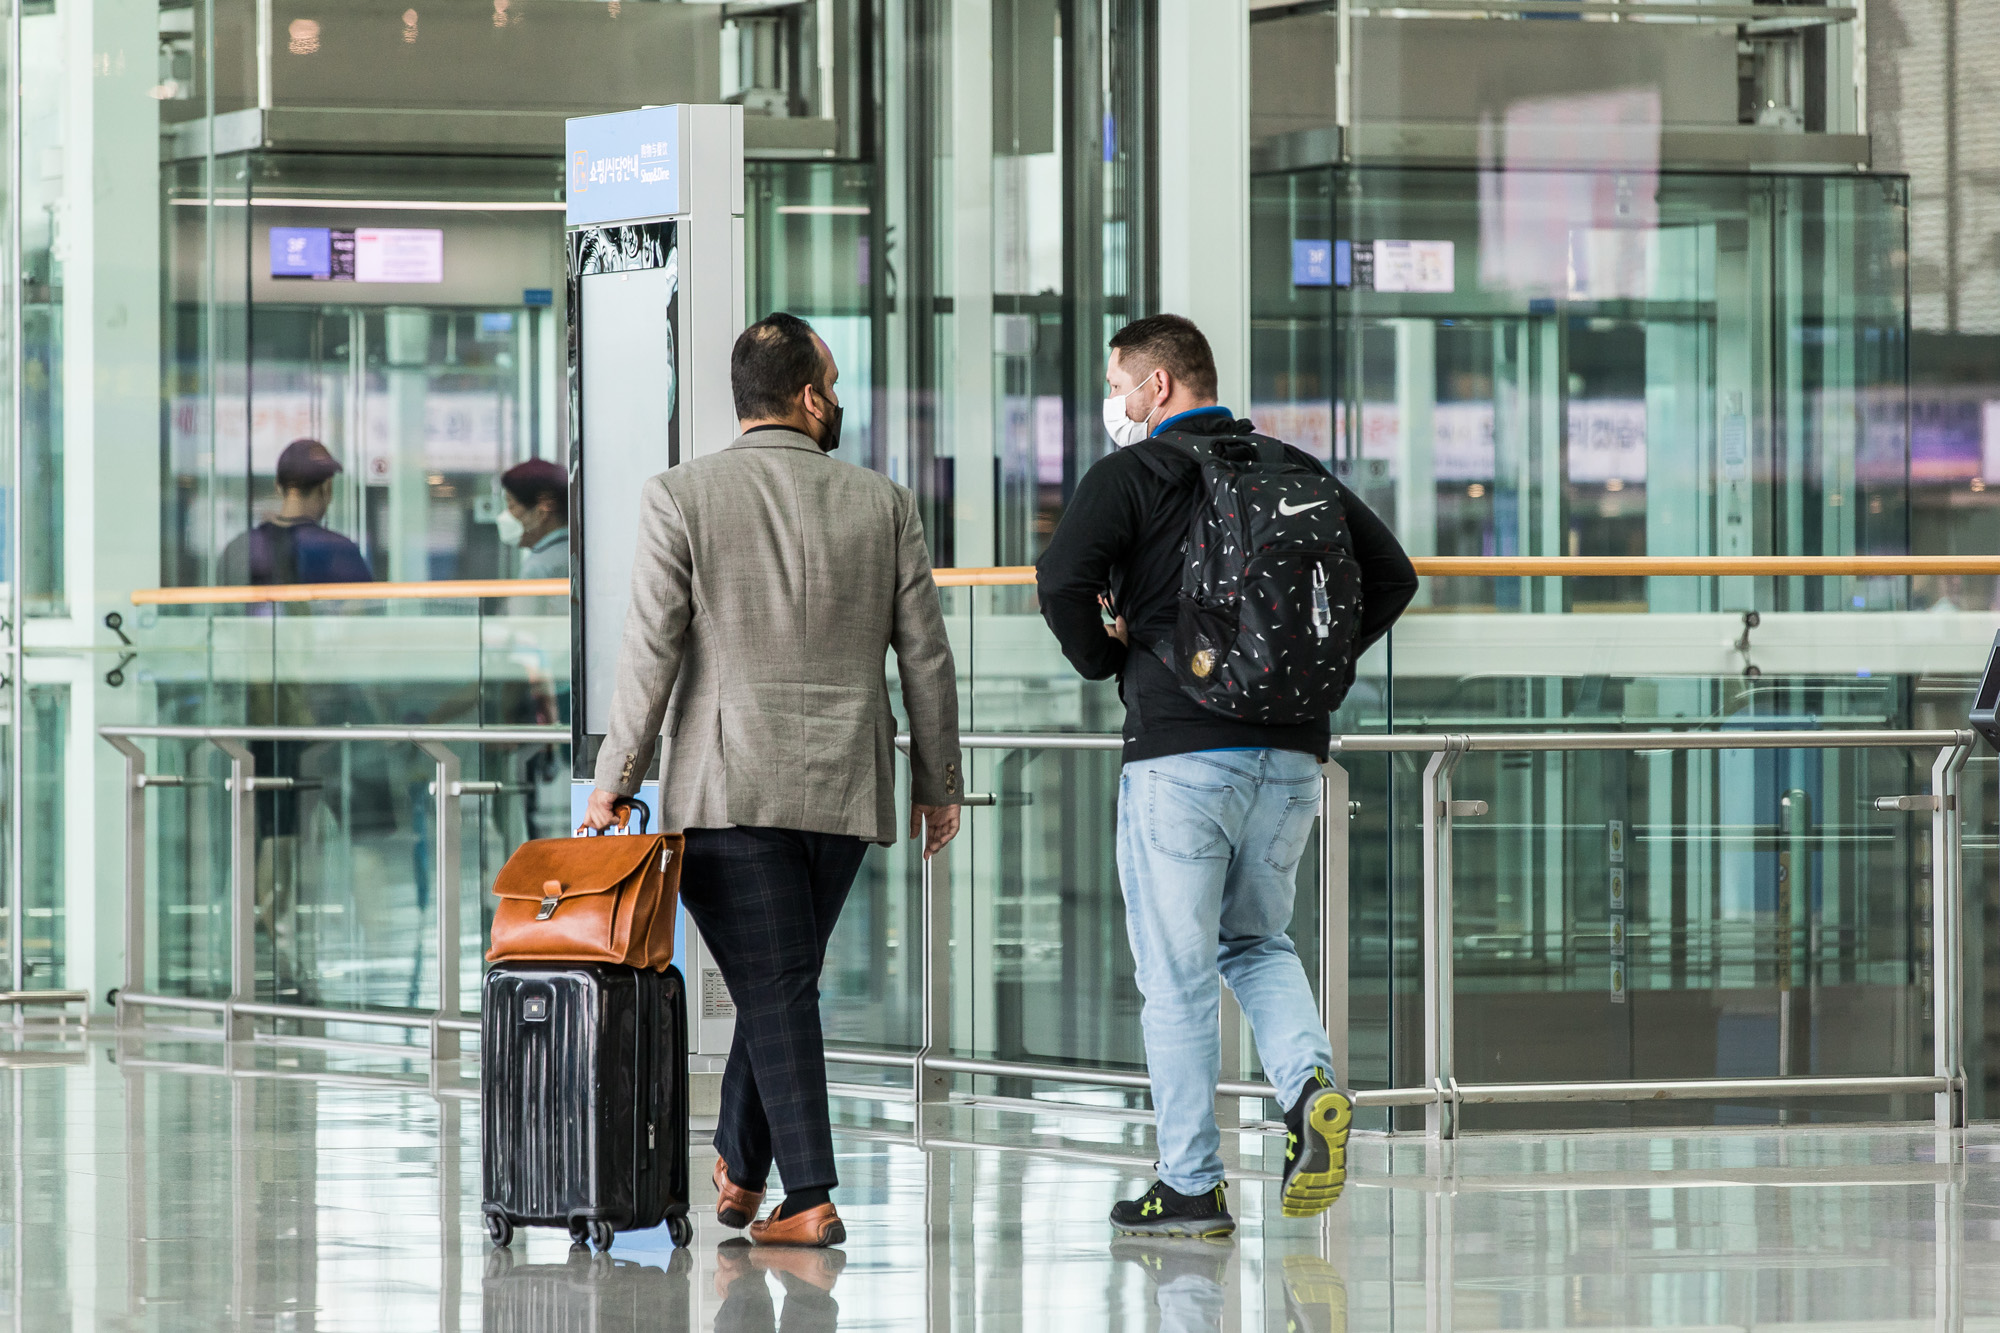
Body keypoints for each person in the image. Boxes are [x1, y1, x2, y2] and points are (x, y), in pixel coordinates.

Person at [582, 311, 963, 1248]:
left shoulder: (682, 495)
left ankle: (812, 1194)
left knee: (778, 980)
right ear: (805, 396)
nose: (838, 402)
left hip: (728, 786)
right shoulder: (885, 503)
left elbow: (649, 654)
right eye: (832, 385)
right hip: (846, 787)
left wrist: (614, 776)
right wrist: (937, 780)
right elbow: (928, 658)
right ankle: (741, 1170)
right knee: (781, 977)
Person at [1037, 314, 1418, 1239]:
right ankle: (1310, 1086)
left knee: (1175, 974)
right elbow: (1392, 576)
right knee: (1256, 942)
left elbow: (1060, 581)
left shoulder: (1133, 474)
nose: (1114, 404)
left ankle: (1192, 1184)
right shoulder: (1294, 467)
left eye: (1119, 384)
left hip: (1181, 755)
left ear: (1158, 387)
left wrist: (1110, 657)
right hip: (1293, 755)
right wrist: (1306, 673)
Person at [216, 438, 375, 1004]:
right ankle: (333, 954)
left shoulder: (239, 550)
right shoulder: (337, 551)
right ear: (326, 490)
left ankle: (273, 947)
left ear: (281, 486)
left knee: (274, 831)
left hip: (261, 712)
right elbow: (365, 629)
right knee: (344, 833)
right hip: (327, 715)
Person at [217, 438, 373, 586]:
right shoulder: (341, 552)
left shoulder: (240, 548)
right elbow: (364, 608)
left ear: (278, 487)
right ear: (326, 488)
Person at [498, 458, 570, 579]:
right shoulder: (576, 550)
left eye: (511, 505)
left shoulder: (539, 566)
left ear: (544, 508)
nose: (505, 516)